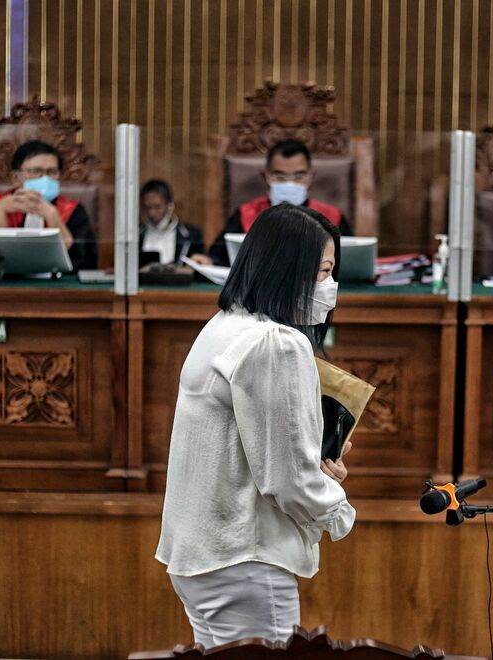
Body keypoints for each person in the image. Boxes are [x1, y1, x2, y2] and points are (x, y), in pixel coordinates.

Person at [156, 204, 355, 649]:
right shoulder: (275, 343)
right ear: (289, 269)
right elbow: (287, 481)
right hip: (244, 558)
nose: (330, 286)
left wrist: (313, 468)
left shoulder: (226, 324)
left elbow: (258, 452)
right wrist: (339, 512)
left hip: (204, 556)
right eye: (322, 272)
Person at [196, 139, 353, 266]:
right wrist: (208, 262)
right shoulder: (246, 214)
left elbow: (350, 263)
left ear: (311, 176)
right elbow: (218, 258)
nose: (289, 183)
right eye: (279, 176)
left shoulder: (332, 217)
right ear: (266, 177)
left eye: (299, 176)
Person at [0, 140, 97, 270]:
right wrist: (0, 212)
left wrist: (54, 217)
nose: (45, 179)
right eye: (36, 171)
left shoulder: (74, 210)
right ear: (15, 178)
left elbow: (85, 264)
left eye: (52, 172)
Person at [139, 179, 205, 264]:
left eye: (157, 207)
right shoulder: (137, 235)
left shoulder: (191, 235)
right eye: (148, 207)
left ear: (170, 204)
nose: (152, 213)